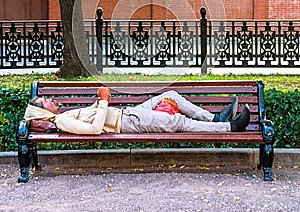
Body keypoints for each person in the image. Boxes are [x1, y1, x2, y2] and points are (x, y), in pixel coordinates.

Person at [24, 87, 250, 135]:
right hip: (128, 123)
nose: (50, 99)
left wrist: (99, 101)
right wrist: (103, 102)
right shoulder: (62, 122)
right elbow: (94, 130)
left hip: (130, 112)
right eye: (45, 101)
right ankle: (230, 127)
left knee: (169, 96)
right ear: (42, 113)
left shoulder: (63, 116)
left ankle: (214, 117)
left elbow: (95, 116)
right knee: (177, 122)